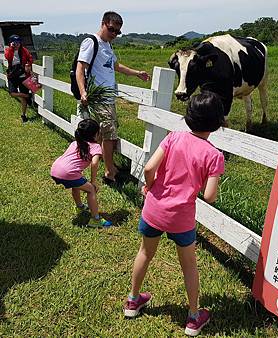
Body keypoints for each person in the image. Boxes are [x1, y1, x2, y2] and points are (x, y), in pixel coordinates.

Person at [123, 92, 226, 337]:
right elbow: (210, 196)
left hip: (154, 209)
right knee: (189, 266)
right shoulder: (214, 155)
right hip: (181, 218)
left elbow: (149, 168)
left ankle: (133, 301)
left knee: (145, 253)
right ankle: (193, 317)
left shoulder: (174, 137)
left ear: (188, 116)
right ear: (218, 123)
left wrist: (150, 185)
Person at [75, 11, 150, 184]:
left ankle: (110, 165)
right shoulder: (91, 42)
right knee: (109, 134)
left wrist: (137, 73)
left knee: (105, 133)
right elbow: (80, 68)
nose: (114, 34)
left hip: (108, 98)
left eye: (118, 32)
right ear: (103, 24)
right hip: (99, 97)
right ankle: (109, 172)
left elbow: (115, 66)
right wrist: (83, 91)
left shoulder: (107, 45)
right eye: (111, 29)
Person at [51, 119, 112, 228]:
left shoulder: (75, 143)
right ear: (96, 134)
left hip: (55, 169)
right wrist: (93, 182)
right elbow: (94, 163)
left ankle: (80, 207)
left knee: (76, 185)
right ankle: (95, 220)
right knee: (91, 189)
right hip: (68, 173)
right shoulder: (95, 146)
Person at [4, 34, 33, 123]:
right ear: (11, 43)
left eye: (18, 42)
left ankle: (23, 115)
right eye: (14, 42)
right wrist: (11, 48)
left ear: (20, 43)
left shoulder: (24, 50)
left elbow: (30, 58)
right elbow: (7, 56)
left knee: (22, 98)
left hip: (22, 75)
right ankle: (28, 96)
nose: (17, 44)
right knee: (12, 93)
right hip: (12, 75)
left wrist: (28, 64)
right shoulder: (9, 50)